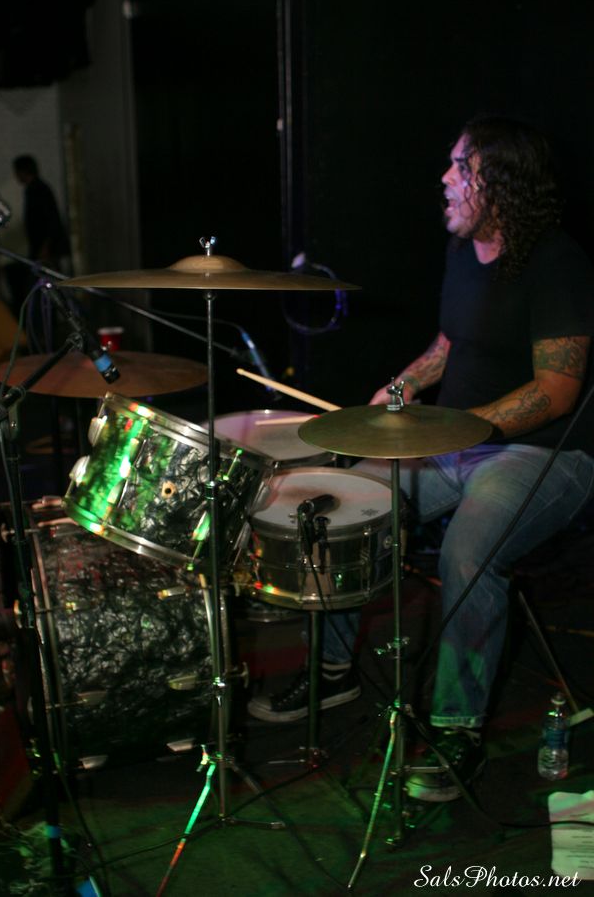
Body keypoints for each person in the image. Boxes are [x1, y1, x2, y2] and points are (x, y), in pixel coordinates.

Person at [248, 115, 594, 802]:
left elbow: (556, 391)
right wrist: (399, 394)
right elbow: (448, 345)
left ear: (501, 183)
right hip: (453, 444)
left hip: (542, 454)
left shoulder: (559, 264)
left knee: (468, 551)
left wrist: (458, 428)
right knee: (343, 505)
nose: (444, 178)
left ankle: (455, 727)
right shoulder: (463, 252)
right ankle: (334, 670)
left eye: (460, 167)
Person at [12, 154, 70, 269]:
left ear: (23, 171)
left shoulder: (38, 190)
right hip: (42, 247)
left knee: (48, 274)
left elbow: (51, 220)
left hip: (46, 248)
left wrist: (46, 247)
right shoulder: (34, 189)